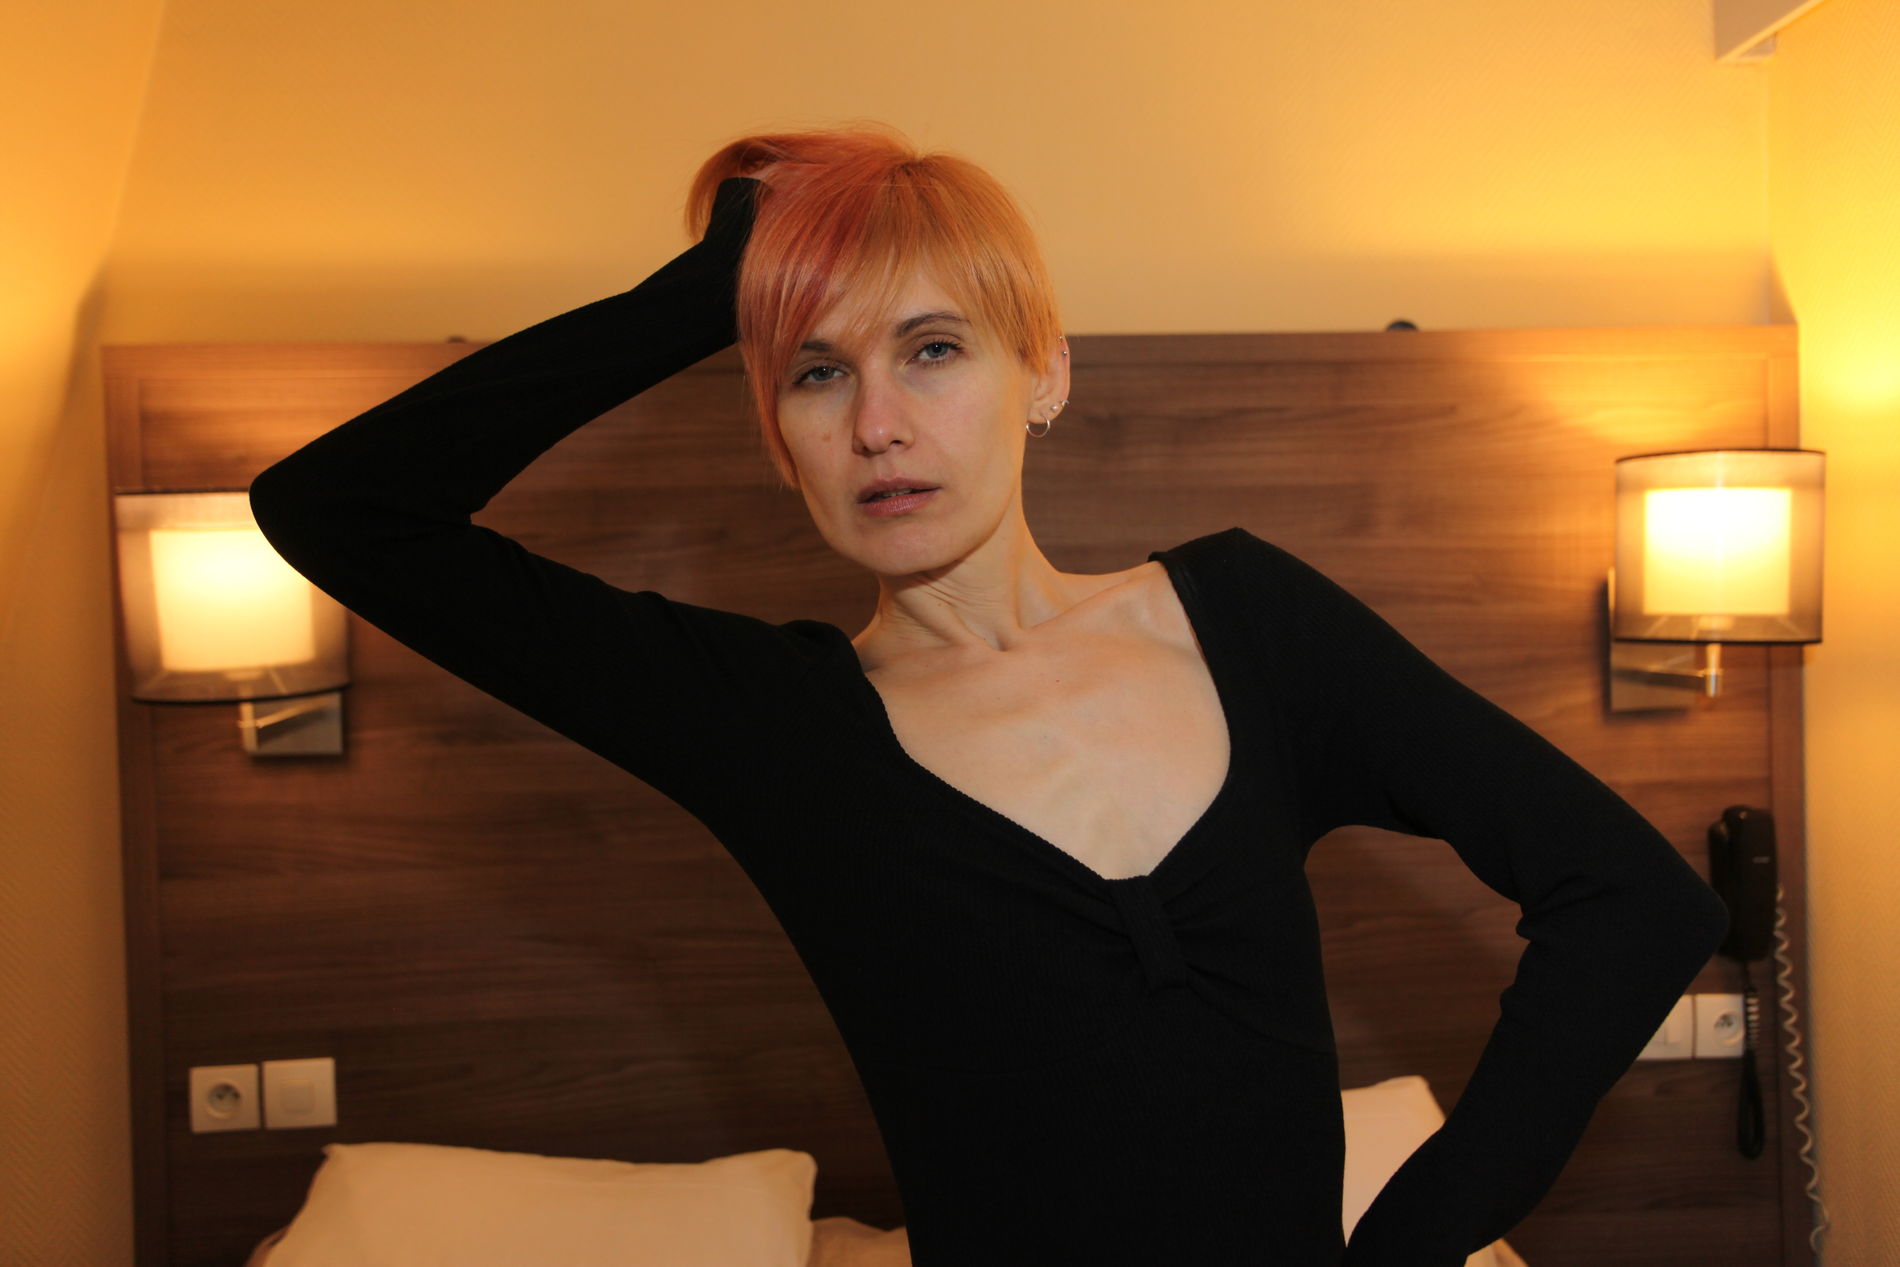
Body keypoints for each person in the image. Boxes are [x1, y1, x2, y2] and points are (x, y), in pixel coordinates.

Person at [248, 124, 1730, 1266]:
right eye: (816, 376)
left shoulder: (1253, 625)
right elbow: (335, 509)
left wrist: (1406, 1245)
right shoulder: (771, 727)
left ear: (1045, 374)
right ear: (778, 442)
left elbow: (1635, 900)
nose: (879, 425)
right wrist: (701, 298)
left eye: (934, 350)